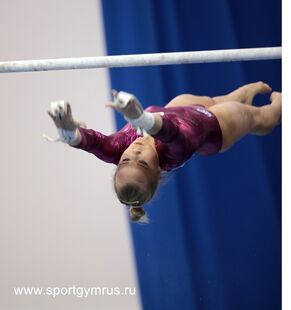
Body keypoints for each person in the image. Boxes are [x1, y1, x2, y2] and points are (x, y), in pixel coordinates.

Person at [47, 82, 282, 223]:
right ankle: (281, 106)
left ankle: (243, 94)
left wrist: (70, 133)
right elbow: (172, 133)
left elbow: (92, 143)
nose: (135, 152)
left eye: (126, 160)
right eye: (142, 163)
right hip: (219, 127)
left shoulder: (117, 149)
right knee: (260, 119)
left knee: (213, 100)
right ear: (158, 171)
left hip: (181, 108)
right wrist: (141, 119)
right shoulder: (172, 154)